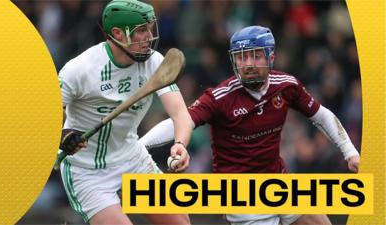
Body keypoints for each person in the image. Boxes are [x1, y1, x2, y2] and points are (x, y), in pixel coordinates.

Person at [140, 26, 360, 225]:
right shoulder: (220, 97)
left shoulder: (286, 86)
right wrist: (139, 146)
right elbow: (180, 121)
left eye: (255, 56)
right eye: (241, 58)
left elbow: (321, 116)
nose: (248, 65)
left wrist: (350, 152)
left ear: (271, 56)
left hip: (278, 182)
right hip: (241, 195)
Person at [57, 0, 193, 224]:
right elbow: (46, 118)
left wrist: (180, 143)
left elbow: (181, 115)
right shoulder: (79, 70)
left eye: (150, 28)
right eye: (141, 31)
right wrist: (62, 135)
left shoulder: (155, 63)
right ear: (118, 34)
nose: (149, 37)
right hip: (88, 173)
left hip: (132, 159)